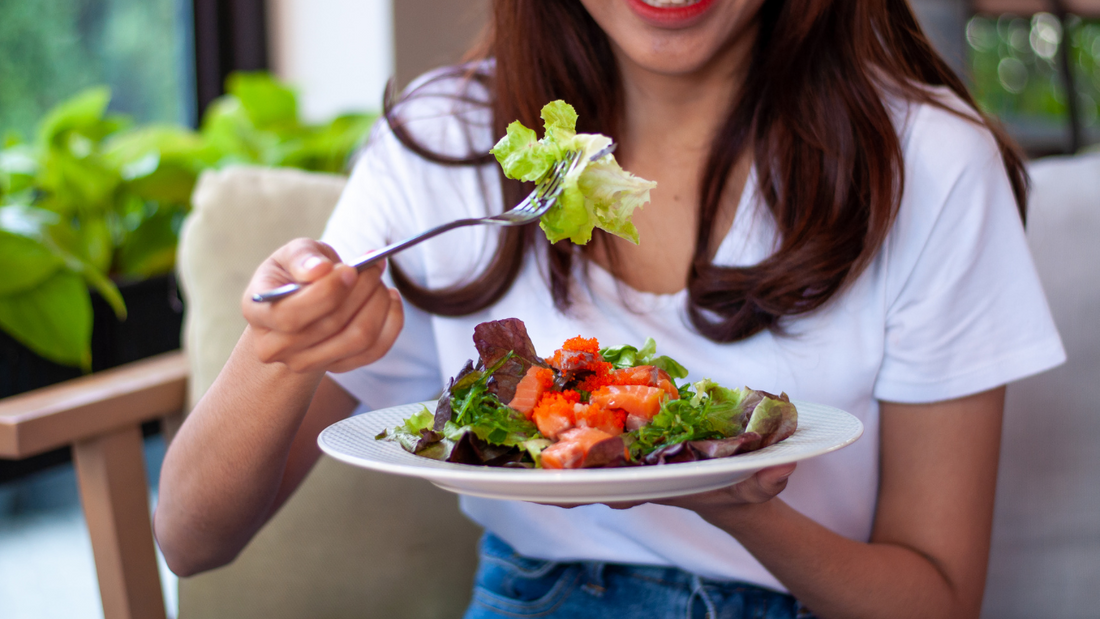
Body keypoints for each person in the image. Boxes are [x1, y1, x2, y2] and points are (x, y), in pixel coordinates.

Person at [154, 0, 1066, 617]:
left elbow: (936, 595)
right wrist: (280, 347)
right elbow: (190, 538)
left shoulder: (929, 165)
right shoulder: (442, 147)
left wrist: (740, 505)